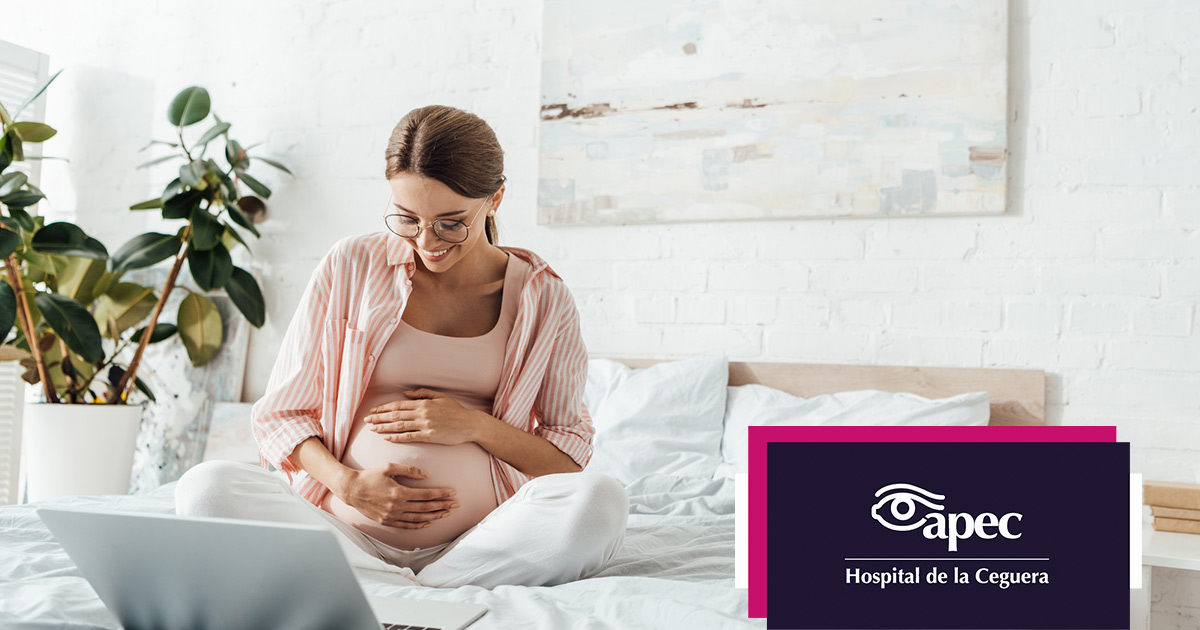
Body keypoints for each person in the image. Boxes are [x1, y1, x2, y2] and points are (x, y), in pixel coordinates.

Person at [175, 105, 628, 589]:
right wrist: (347, 484)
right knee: (206, 489)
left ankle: (415, 585)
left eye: (451, 222)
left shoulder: (543, 297)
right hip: (343, 530)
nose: (427, 241)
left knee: (601, 502)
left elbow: (566, 461)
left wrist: (474, 426)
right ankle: (418, 587)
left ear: (495, 198)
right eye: (407, 218)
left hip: (481, 540)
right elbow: (282, 416)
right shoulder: (351, 264)